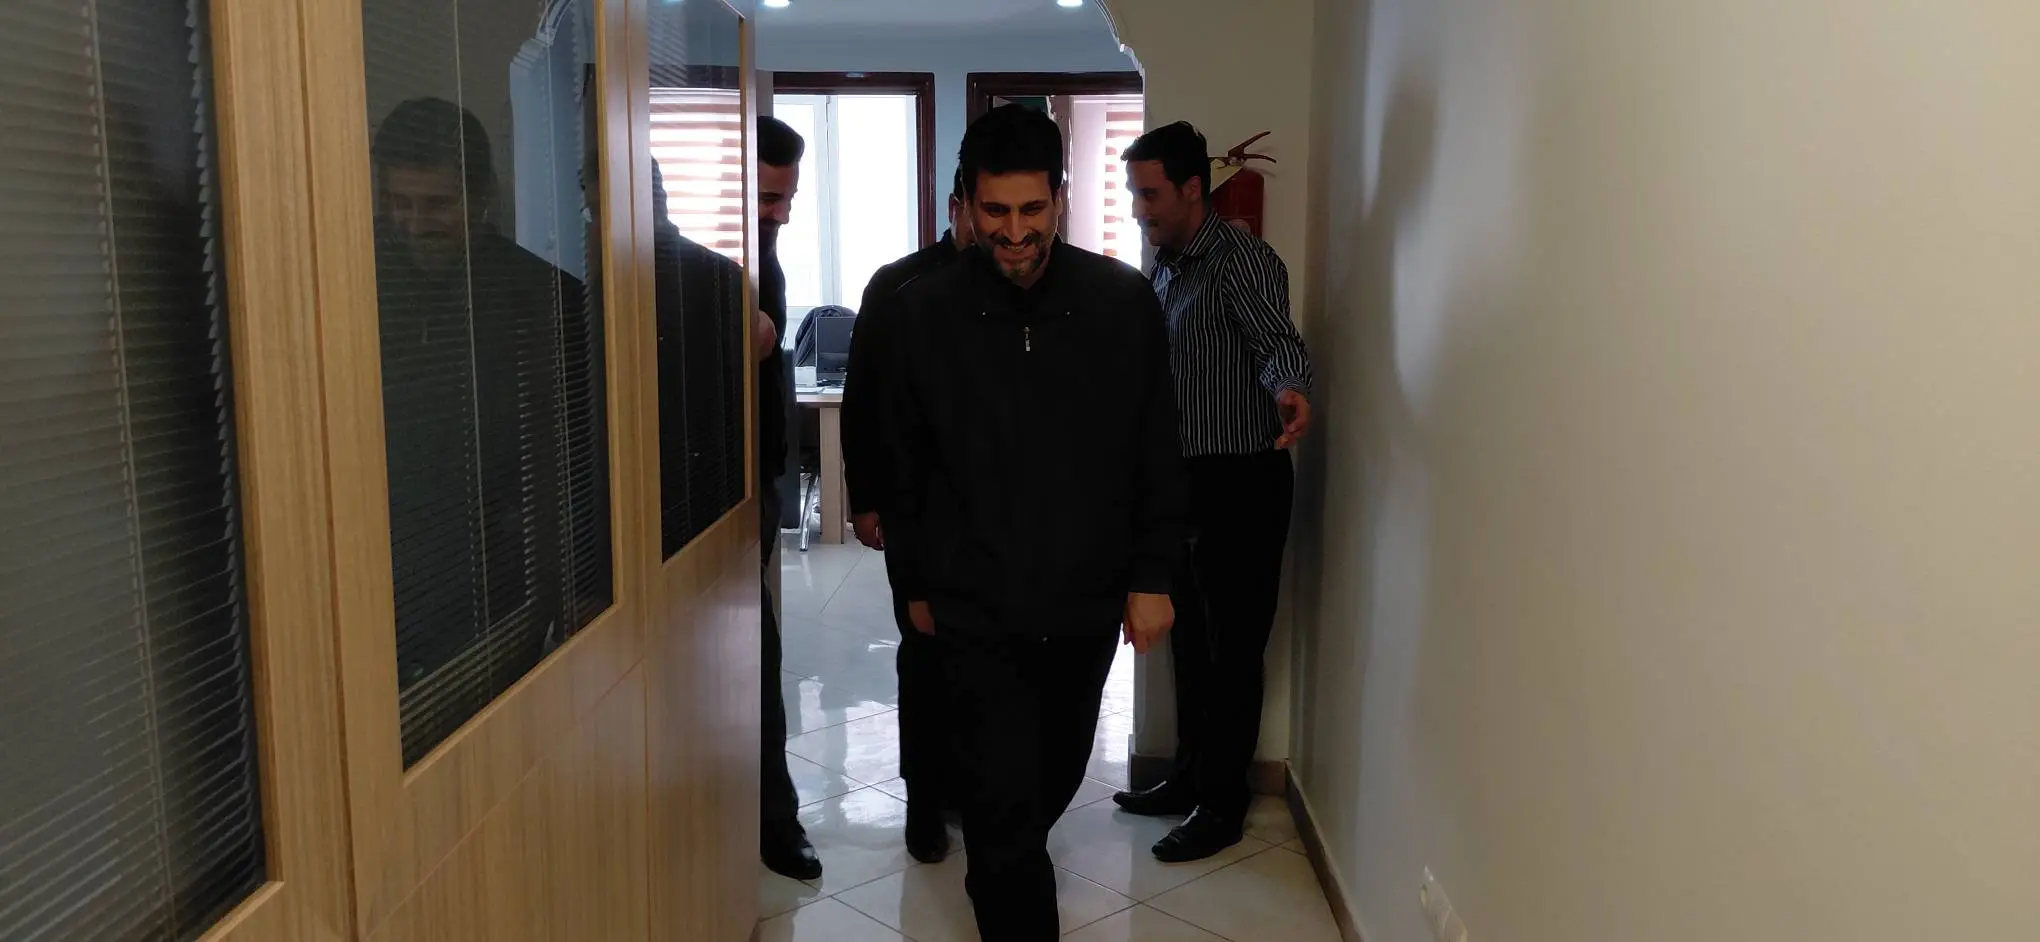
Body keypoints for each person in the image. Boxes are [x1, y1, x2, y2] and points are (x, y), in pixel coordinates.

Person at [876, 105, 1189, 940]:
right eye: (994, 211)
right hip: (972, 602)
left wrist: (1152, 575)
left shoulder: (1120, 303)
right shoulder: (922, 312)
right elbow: (904, 464)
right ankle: (1008, 884)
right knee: (1002, 797)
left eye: (1031, 210)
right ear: (967, 205)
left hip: (1083, 602)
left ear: (1061, 198)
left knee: (1046, 780)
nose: (1014, 234)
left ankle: (998, 858)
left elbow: (1156, 448)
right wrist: (913, 583)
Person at [1114, 121, 1315, 863]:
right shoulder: (1167, 266)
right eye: (1135, 194)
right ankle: (1190, 778)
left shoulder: (1240, 259)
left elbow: (1277, 342)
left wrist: (1290, 389)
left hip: (1242, 481)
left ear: (1193, 189)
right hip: (1186, 482)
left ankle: (1222, 805)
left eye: (1150, 194)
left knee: (1232, 650)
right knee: (1191, 646)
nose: (1139, 208)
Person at [840, 170, 977, 864]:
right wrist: (864, 497)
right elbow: (862, 395)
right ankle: (924, 798)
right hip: (916, 508)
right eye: (985, 211)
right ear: (957, 208)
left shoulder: (1027, 285)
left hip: (997, 518)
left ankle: (974, 789)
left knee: (988, 661)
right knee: (925, 653)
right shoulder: (899, 285)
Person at [754, 115, 822, 881]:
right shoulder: (702, 264)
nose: (781, 215)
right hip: (700, 499)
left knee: (758, 659)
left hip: (756, 489)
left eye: (789, 200)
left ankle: (776, 819)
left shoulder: (764, 254)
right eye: (770, 199)